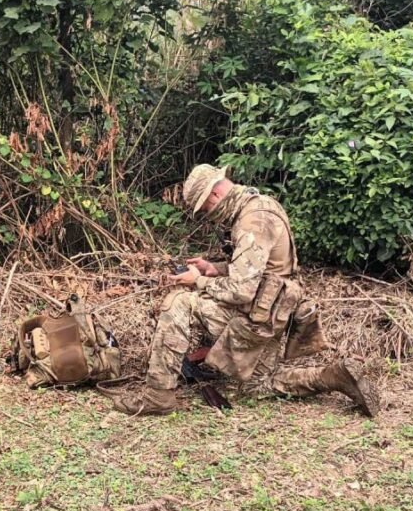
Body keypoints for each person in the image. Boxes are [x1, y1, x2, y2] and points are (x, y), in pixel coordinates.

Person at [111, 164, 379, 417]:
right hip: (272, 314)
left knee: (179, 302)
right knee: (257, 386)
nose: (208, 215)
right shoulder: (262, 205)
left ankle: (157, 397)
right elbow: (263, 268)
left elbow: (241, 291)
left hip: (255, 317)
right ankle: (335, 376)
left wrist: (198, 281)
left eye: (205, 208)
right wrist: (214, 268)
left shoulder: (252, 222)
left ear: (215, 194)